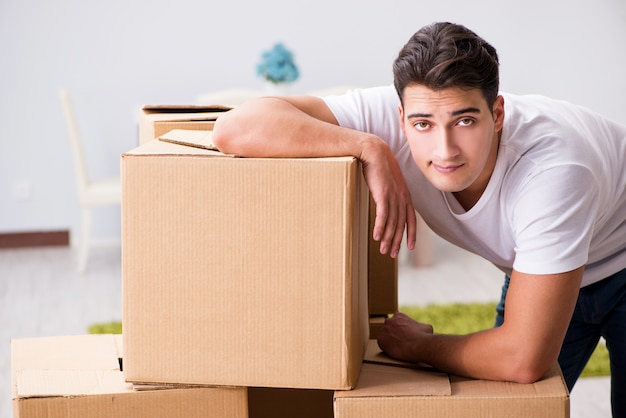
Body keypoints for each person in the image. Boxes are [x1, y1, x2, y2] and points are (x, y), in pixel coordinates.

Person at [213, 22, 626, 416]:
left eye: (465, 121)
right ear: (401, 118)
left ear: (497, 114)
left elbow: (521, 358)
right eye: (423, 124)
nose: (444, 149)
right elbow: (236, 127)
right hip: (542, 269)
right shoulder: (394, 117)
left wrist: (419, 348)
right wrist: (368, 147)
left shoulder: (552, 172)